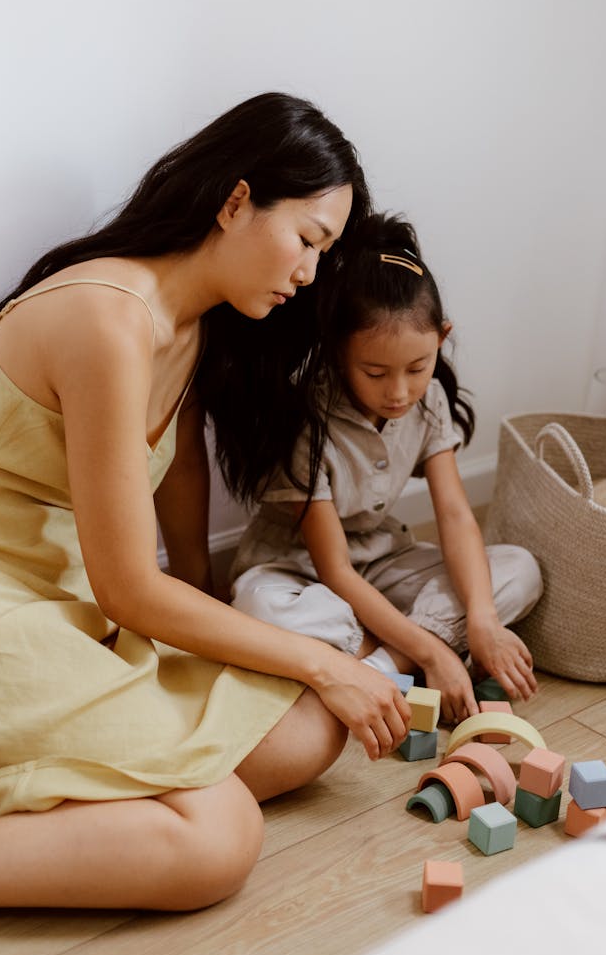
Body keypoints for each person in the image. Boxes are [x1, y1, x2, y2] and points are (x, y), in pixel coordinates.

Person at [0, 94, 411, 912]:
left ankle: (69, 789)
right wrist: (320, 657)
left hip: (70, 600)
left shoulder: (198, 327)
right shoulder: (107, 319)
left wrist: (216, 625)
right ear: (236, 200)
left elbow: (174, 500)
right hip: (8, 602)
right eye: (308, 241)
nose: (308, 273)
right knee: (220, 840)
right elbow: (131, 590)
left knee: (311, 729)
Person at [231, 213, 543, 724]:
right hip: (300, 572)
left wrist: (484, 620)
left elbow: (456, 517)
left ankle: (381, 662)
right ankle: (415, 650)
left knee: (519, 570)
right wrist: (435, 652)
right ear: (337, 351)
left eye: (417, 368)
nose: (398, 392)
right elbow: (332, 570)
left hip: (380, 560)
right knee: (259, 610)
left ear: (441, 338)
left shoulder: (431, 401)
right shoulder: (307, 418)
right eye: (375, 373)